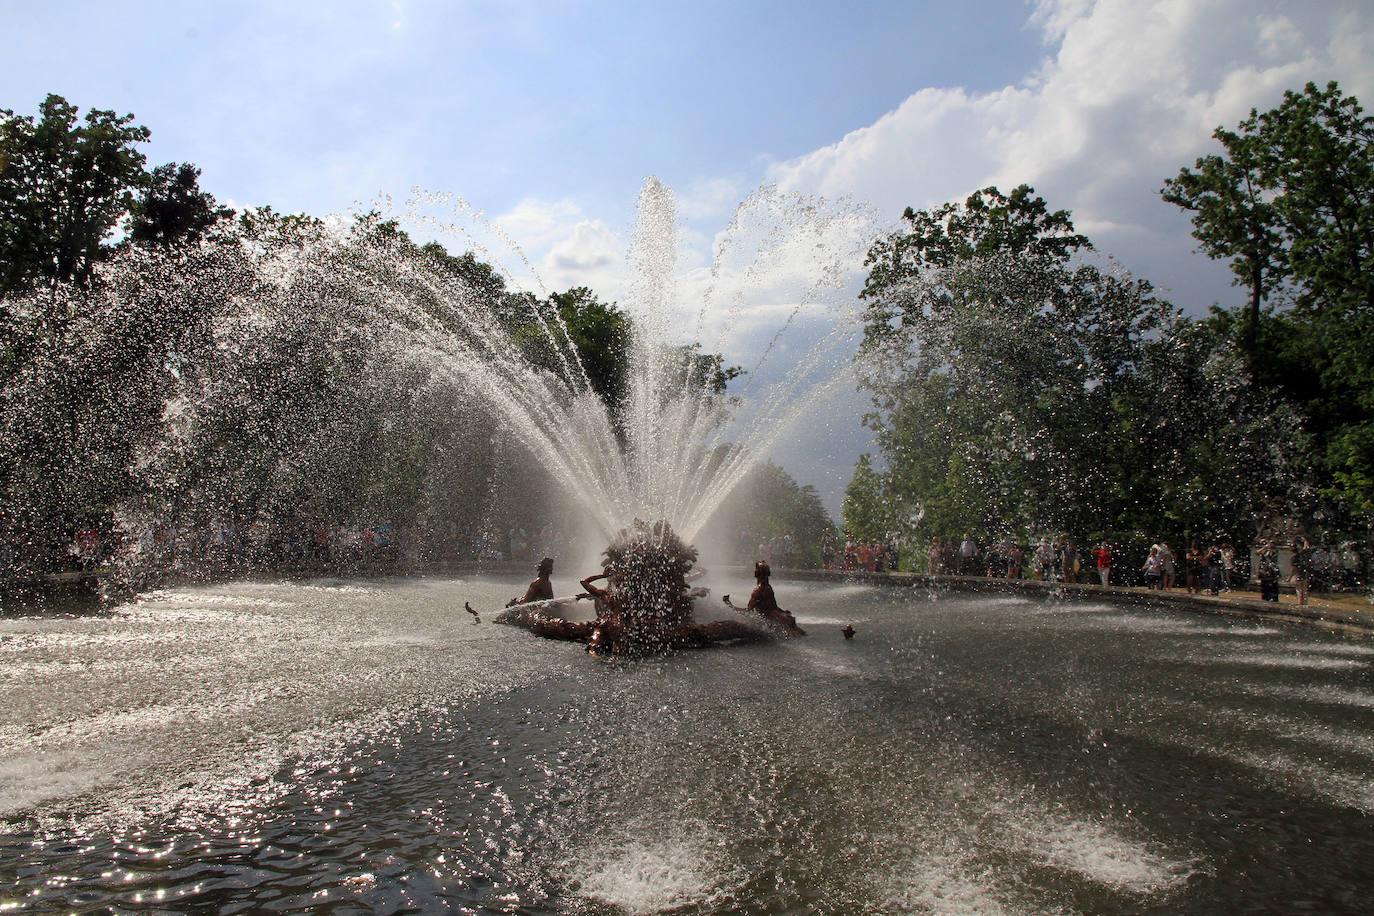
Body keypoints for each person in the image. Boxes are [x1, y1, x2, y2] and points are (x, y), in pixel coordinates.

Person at [723, 560, 806, 637]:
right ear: (768, 574)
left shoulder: (757, 591)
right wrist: (783, 612)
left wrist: (730, 605)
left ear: (756, 574)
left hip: (777, 624)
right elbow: (773, 607)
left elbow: (748, 612)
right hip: (784, 619)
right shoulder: (768, 588)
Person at [1289, 536, 1313, 606]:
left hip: (1298, 575)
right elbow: (1305, 547)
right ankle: (1305, 603)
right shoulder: (1301, 554)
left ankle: (1300, 603)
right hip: (1304, 575)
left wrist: (1289, 578)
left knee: (1299, 591)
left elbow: (1293, 568)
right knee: (1304, 591)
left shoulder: (1293, 558)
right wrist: (1305, 540)